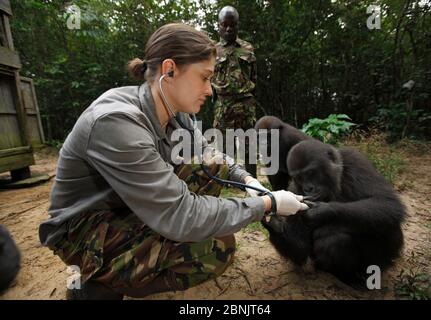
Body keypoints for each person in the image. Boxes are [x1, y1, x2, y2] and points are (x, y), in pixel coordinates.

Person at [38, 23, 308, 300]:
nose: (210, 89)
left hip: (126, 205)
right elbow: (182, 214)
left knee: (209, 166)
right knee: (216, 249)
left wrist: (248, 181)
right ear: (169, 70)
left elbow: (212, 156)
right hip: (84, 229)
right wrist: (268, 203)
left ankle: (138, 255)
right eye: (204, 78)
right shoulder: (116, 122)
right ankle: (99, 283)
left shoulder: (175, 112)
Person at [212, 6, 258, 177]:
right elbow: (208, 76)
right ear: (219, 26)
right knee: (224, 146)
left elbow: (254, 76)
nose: (229, 29)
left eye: (233, 25)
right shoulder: (212, 51)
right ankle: (228, 180)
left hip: (246, 104)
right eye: (224, 25)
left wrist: (249, 94)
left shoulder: (247, 48)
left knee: (249, 145)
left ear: (238, 26)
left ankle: (252, 181)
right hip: (223, 105)